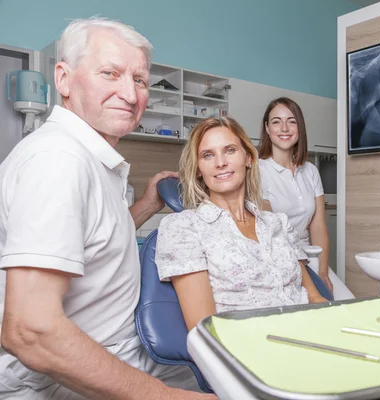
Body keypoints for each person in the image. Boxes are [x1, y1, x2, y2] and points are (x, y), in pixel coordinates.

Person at [0, 17, 215, 399]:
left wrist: (147, 206)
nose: (131, 95)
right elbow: (31, 331)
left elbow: (89, 245)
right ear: (63, 79)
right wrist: (165, 397)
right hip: (62, 378)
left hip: (126, 349)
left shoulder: (92, 160)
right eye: (110, 73)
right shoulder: (59, 160)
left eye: (139, 80)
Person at [155, 117, 327, 330]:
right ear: (198, 168)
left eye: (229, 150)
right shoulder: (184, 229)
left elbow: (313, 297)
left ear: (248, 158)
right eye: (208, 155)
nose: (220, 163)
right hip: (252, 349)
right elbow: (206, 330)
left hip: (313, 333)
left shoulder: (278, 223)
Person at [257, 97, 334, 292]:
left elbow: (318, 227)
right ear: (267, 128)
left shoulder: (310, 171)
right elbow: (273, 234)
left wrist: (323, 273)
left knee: (340, 301)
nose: (284, 128)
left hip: (311, 257)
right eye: (276, 121)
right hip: (278, 260)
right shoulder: (257, 170)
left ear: (300, 127)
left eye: (292, 121)